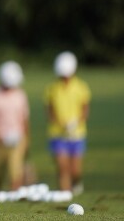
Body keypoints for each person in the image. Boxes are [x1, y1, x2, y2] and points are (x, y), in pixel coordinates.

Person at [45, 51, 91, 195]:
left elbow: (85, 110)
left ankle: (76, 184)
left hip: (77, 134)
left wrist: (75, 123)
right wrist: (61, 123)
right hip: (58, 134)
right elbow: (50, 112)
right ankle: (65, 195)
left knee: (75, 170)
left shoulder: (81, 87)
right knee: (62, 167)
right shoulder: (52, 89)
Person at [0, 61, 30, 191]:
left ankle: (15, 200)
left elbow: (24, 119)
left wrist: (26, 139)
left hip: (18, 139)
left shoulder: (20, 95)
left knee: (16, 173)